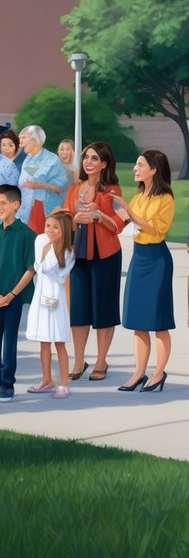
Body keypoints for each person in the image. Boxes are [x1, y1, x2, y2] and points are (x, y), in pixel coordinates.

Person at [112, 150, 175, 393]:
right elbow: (124, 221)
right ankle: (139, 372)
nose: (135, 169)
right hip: (138, 259)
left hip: (157, 261)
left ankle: (158, 372)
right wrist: (101, 213)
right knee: (138, 320)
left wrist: (129, 210)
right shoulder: (139, 196)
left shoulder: (166, 199)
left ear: (154, 169)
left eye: (140, 165)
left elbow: (155, 229)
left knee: (158, 320)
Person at [63, 141, 125, 383]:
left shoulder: (113, 190)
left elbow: (121, 223)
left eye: (94, 158)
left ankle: (101, 360)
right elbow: (65, 219)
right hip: (78, 255)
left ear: (104, 164)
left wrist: (100, 217)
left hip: (106, 256)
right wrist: (75, 219)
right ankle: (79, 360)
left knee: (103, 309)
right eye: (86, 157)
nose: (88, 162)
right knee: (78, 311)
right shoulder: (74, 189)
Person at [0, 184, 36, 404]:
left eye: (3, 203)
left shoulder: (27, 235)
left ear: (16, 205)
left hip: (13, 298)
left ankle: (7, 382)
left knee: (9, 340)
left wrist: (11, 295)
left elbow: (30, 269)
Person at [25, 210, 76, 399]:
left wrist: (48, 255)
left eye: (56, 227)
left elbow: (58, 277)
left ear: (64, 230)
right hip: (41, 298)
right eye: (48, 226)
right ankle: (47, 380)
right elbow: (38, 268)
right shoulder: (40, 241)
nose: (50, 230)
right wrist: (44, 257)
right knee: (44, 342)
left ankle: (64, 383)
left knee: (59, 342)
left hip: (56, 300)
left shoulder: (68, 252)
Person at [17, 125, 69, 232]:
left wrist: (38, 185)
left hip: (45, 209)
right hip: (27, 208)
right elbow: (27, 181)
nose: (20, 143)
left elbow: (61, 187)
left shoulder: (52, 159)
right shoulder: (30, 159)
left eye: (23, 138)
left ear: (35, 139)